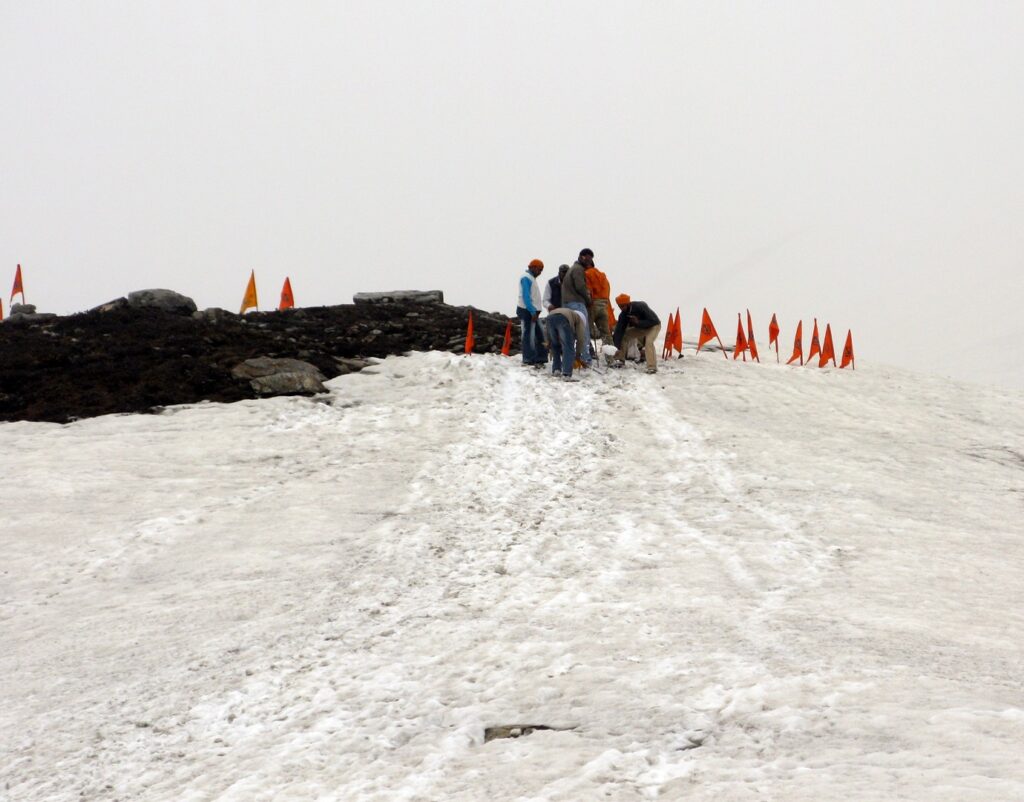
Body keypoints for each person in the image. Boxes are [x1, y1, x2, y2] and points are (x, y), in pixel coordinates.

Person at [612, 293, 661, 374]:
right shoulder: (623, 315)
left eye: (623, 306)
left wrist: (638, 322)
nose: (622, 308)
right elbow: (619, 332)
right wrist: (615, 348)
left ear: (628, 303)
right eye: (620, 306)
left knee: (649, 342)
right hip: (641, 328)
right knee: (624, 335)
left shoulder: (641, 306)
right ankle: (620, 359)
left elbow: (654, 321)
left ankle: (652, 367)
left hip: (654, 326)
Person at [562, 249, 594, 365]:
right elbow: (580, 286)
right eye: (587, 257)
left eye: (590, 258)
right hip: (577, 303)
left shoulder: (572, 269)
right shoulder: (578, 269)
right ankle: (585, 358)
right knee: (583, 331)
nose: (589, 260)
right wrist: (588, 299)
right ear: (581, 257)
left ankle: (572, 358)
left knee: (571, 332)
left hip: (567, 304)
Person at [516, 259, 548, 366]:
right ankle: (528, 358)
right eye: (539, 269)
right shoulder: (526, 277)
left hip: (533, 311)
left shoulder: (531, 278)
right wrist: (532, 311)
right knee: (528, 334)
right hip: (527, 311)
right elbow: (526, 296)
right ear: (533, 267)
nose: (540, 272)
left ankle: (541, 357)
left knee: (540, 334)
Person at [546, 307, 588, 381]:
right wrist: (578, 354)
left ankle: (556, 370)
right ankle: (566, 374)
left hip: (549, 317)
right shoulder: (579, 320)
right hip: (562, 318)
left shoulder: (571, 314)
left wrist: (549, 341)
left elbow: (550, 336)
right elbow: (581, 339)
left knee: (555, 345)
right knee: (568, 347)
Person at [584, 260, 614, 343]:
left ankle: (588, 353)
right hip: (604, 306)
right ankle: (610, 355)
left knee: (586, 331)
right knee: (606, 334)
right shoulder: (603, 276)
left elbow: (588, 291)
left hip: (593, 305)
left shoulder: (587, 273)